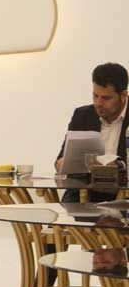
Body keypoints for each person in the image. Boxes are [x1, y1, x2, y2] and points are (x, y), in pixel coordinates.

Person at [55, 62, 128, 202]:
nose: (98, 103)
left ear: (123, 95)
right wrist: (65, 163)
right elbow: (59, 162)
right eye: (95, 96)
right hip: (83, 195)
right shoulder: (82, 115)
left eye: (106, 98)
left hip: (123, 196)